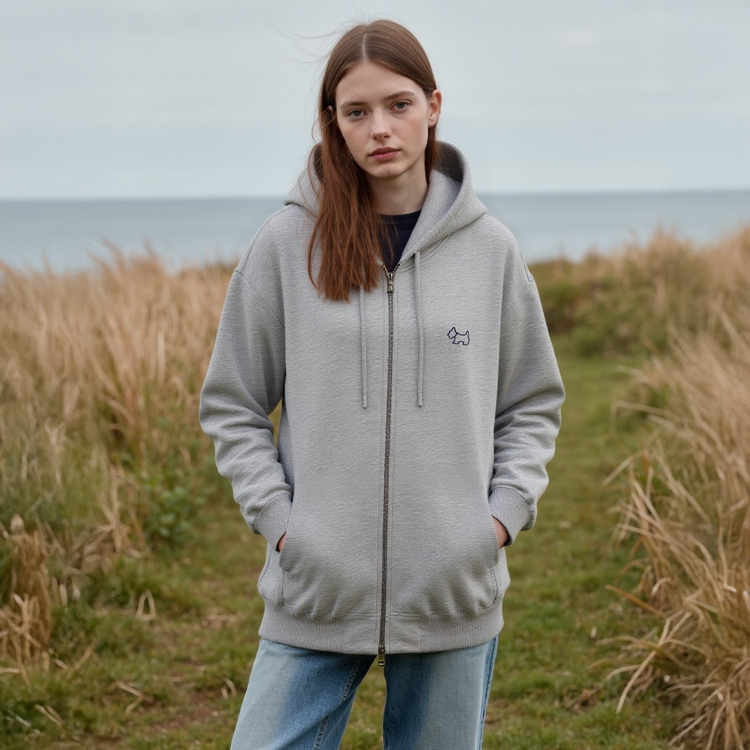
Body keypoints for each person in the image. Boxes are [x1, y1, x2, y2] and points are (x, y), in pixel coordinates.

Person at [200, 18, 564, 750]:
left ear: (433, 105)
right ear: (334, 123)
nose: (381, 129)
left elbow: (531, 403)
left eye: (398, 104)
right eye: (356, 111)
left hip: (451, 591)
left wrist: (496, 521)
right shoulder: (287, 245)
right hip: (316, 588)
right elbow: (233, 403)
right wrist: (283, 525)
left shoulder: (491, 251)